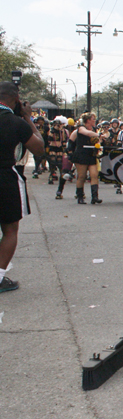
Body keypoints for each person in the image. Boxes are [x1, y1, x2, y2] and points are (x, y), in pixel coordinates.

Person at [0, 81, 45, 293]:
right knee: (10, 230)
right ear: (16, 100)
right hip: (5, 178)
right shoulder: (16, 123)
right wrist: (28, 117)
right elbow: (39, 148)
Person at [70, 112, 103, 205]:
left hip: (91, 154)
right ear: (88, 120)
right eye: (93, 119)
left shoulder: (95, 129)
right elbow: (87, 133)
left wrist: (99, 144)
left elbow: (97, 141)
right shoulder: (81, 128)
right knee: (81, 176)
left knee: (94, 175)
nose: (94, 121)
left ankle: (95, 197)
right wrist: (99, 135)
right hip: (81, 154)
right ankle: (80, 196)